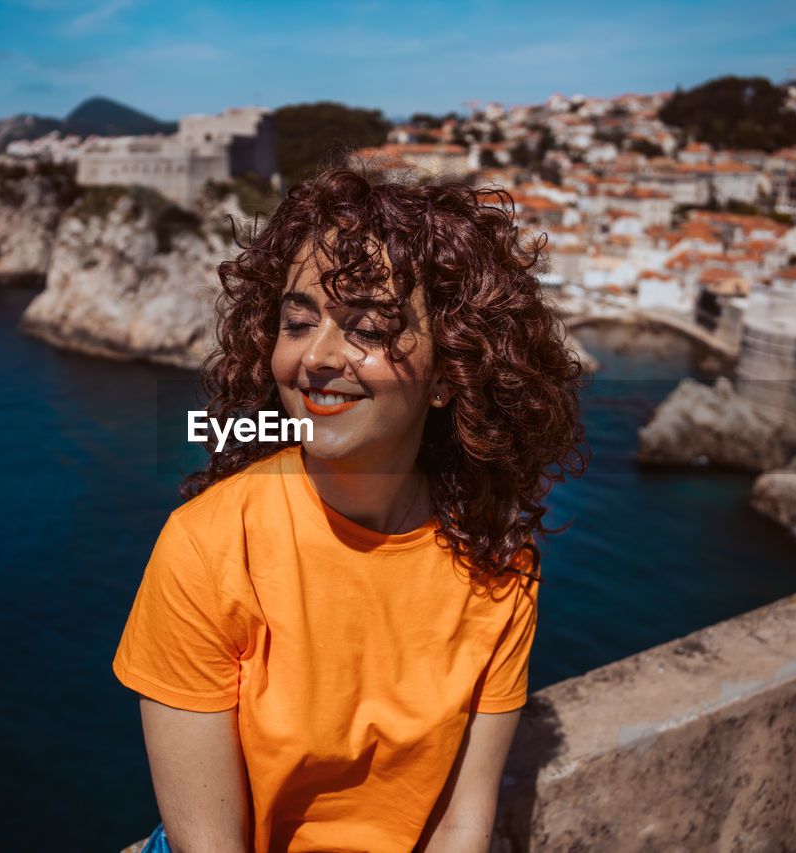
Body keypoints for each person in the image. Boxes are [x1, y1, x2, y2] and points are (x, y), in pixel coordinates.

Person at [113, 167, 588, 853]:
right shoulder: (208, 547)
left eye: (367, 327)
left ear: (449, 376)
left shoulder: (500, 566)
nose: (317, 356)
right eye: (297, 322)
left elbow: (461, 824)